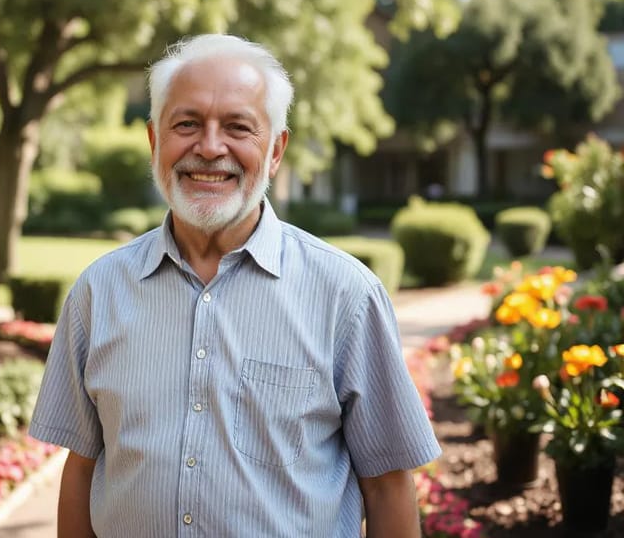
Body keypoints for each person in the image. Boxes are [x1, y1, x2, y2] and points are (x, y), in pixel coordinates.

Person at [29, 34, 441, 537]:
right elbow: (83, 468)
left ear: (275, 150)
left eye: (238, 127)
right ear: (155, 140)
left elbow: (388, 486)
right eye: (186, 124)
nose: (209, 147)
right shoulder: (98, 293)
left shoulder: (346, 297)